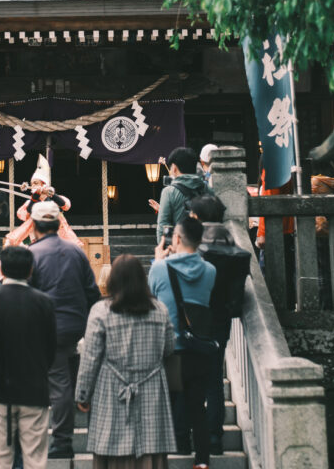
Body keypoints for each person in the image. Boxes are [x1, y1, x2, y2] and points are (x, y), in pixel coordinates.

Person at [76, 254, 176, 469]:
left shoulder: (101, 311)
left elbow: (90, 357)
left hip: (111, 389)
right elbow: (169, 348)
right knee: (150, 444)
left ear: (113, 280)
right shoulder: (160, 310)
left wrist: (83, 394)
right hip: (152, 389)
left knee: (113, 444)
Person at [29, 201, 101, 459]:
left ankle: (62, 441)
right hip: (76, 324)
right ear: (59, 223)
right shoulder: (76, 252)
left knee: (59, 383)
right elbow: (92, 291)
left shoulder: (33, 254)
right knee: (67, 376)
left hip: (48, 327)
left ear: (34, 226)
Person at [148, 216, 217, 469]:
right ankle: (202, 461)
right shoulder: (210, 271)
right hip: (197, 348)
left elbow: (151, 297)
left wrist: (158, 260)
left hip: (169, 349)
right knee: (198, 407)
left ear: (176, 238)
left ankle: (162, 460)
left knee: (162, 407)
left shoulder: (160, 269)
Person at [0, 246, 57, 469]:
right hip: (34, 389)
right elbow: (51, 348)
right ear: (30, 270)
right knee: (35, 458)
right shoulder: (44, 302)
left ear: (2, 269)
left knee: (0, 458)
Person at [189, 195, 249, 455]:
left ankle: (189, 435)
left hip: (194, 319)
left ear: (198, 217)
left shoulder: (194, 247)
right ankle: (215, 438)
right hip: (221, 319)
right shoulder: (231, 245)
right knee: (214, 378)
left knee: (192, 380)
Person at [5, 155, 83, 248]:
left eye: (36, 183)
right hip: (38, 240)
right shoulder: (30, 202)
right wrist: (35, 198)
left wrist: (51, 194)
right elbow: (25, 214)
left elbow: (65, 205)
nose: (33, 186)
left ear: (44, 184)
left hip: (58, 239)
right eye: (32, 184)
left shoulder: (55, 199)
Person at [150, 146, 210, 244]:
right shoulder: (207, 188)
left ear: (174, 168)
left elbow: (163, 226)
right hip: (203, 245)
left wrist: (164, 248)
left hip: (181, 246)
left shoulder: (169, 192)